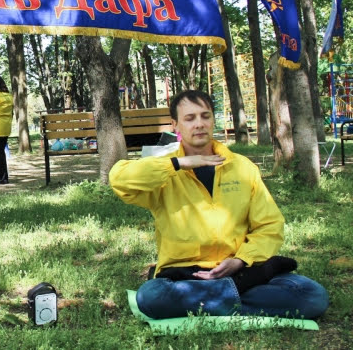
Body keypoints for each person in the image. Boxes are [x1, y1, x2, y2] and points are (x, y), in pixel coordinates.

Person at [109, 90, 328, 319]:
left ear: (213, 120)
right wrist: (179, 163)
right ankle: (238, 301)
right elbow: (119, 179)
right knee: (151, 296)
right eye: (190, 118)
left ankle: (211, 301)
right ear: (176, 125)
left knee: (312, 295)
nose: (199, 124)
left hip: (241, 271)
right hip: (186, 275)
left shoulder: (242, 167)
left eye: (205, 116)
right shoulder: (165, 170)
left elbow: (270, 226)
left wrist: (240, 260)